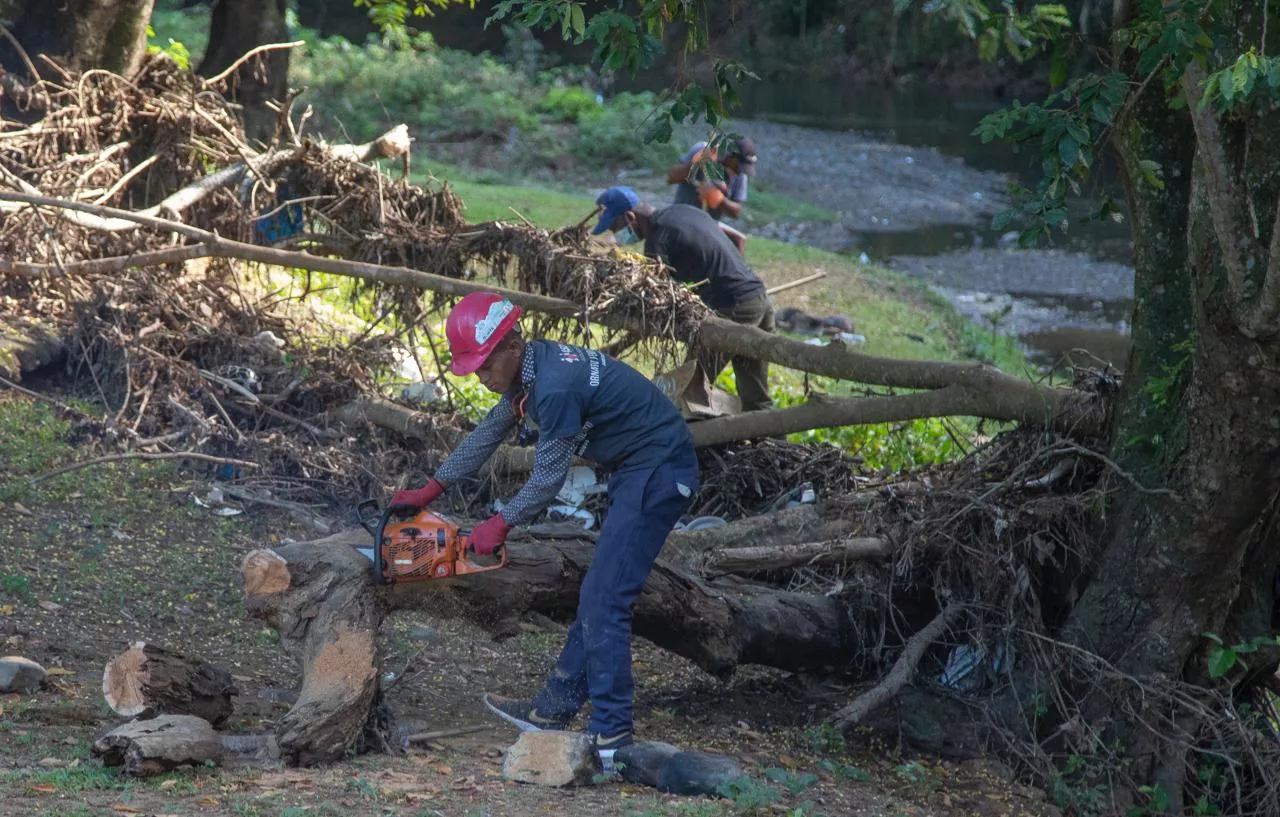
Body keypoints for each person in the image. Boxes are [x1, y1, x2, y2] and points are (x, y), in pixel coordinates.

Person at [389, 291, 700, 768]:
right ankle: (551, 711)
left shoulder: (554, 388)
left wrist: (501, 522)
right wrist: (433, 487)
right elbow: (487, 433)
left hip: (658, 469)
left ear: (511, 345)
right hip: (637, 469)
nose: (481, 375)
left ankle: (612, 737)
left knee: (605, 599)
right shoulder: (533, 372)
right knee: (600, 591)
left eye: (485, 364)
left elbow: (549, 476)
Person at [592, 186, 775, 412]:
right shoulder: (684, 211)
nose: (616, 236)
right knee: (756, 396)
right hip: (759, 298)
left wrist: (618, 346)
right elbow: (737, 239)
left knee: (690, 385)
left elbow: (656, 309)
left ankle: (693, 443)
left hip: (733, 307)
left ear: (630, 217)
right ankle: (770, 444)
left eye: (615, 227)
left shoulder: (658, 242)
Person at [667, 135, 757, 222]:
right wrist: (695, 164)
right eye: (738, 166)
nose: (739, 172)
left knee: (738, 237)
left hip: (709, 226)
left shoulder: (741, 173)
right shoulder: (703, 150)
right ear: (730, 156)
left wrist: (719, 199)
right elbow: (672, 178)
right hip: (680, 218)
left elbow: (736, 212)